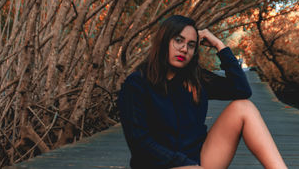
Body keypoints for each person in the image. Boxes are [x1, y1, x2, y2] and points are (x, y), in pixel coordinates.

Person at [117, 15, 287, 169]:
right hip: (158, 164)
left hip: (199, 160)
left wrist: (219, 45)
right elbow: (140, 143)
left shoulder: (196, 79)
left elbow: (241, 90)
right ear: (164, 41)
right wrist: (185, 165)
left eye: (191, 45)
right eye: (178, 40)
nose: (184, 49)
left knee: (244, 107)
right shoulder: (137, 83)